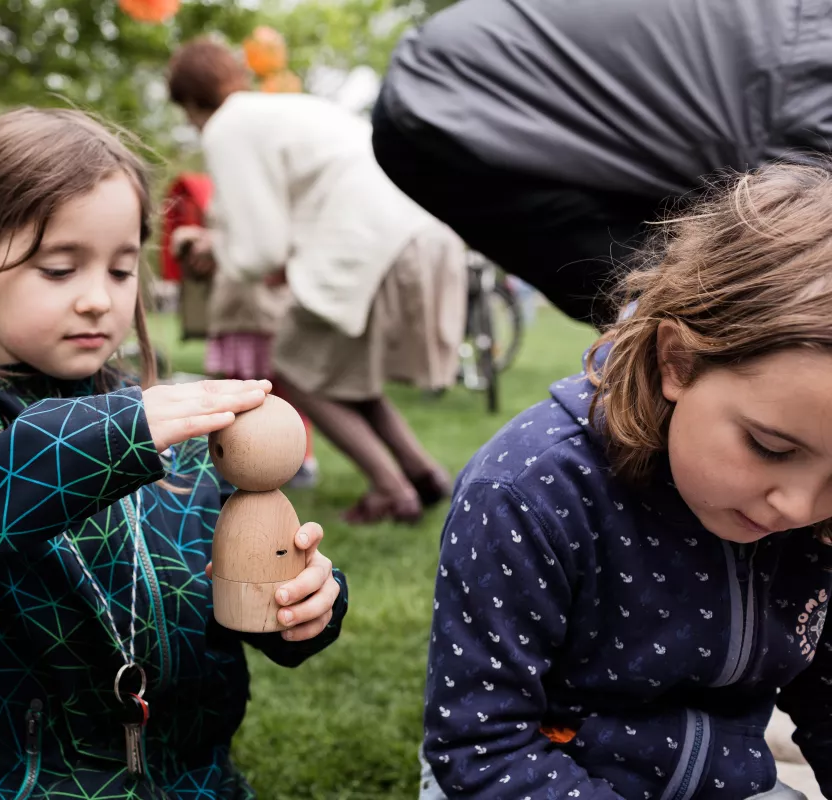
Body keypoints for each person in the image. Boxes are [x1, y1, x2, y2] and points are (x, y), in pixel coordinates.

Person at [0, 107, 349, 800]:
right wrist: (106, 440)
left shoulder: (169, 441)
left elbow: (227, 599)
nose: (99, 300)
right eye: (60, 269)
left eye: (121, 271)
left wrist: (303, 603)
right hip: (9, 786)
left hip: (190, 784)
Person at [419, 160, 832, 799]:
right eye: (770, 447)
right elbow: (482, 740)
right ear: (678, 360)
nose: (799, 505)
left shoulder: (817, 512)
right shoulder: (529, 493)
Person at [373, 0, 832, 328]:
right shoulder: (813, 78)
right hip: (462, 106)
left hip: (464, 83)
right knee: (699, 317)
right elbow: (798, 240)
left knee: (695, 310)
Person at [167, 38, 467, 525]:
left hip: (363, 244)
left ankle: (392, 490)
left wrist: (216, 251)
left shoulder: (227, 127)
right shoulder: (283, 111)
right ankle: (423, 472)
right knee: (346, 377)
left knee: (295, 370)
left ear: (191, 102)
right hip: (410, 228)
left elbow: (259, 249)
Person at [165, 174, 320, 489]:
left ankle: (300, 457)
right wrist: (194, 238)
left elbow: (273, 243)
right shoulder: (225, 191)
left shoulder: (278, 199)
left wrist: (215, 243)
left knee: (285, 390)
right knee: (239, 391)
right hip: (234, 311)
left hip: (269, 313)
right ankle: (244, 455)